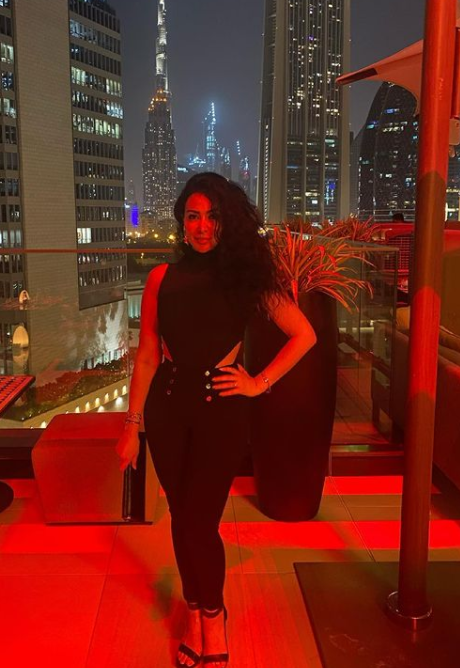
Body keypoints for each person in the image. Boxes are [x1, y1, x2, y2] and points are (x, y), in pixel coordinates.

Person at [116, 173, 316, 667]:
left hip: (221, 411)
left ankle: (213, 616)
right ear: (182, 222)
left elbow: (304, 335)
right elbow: (147, 355)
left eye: (212, 217)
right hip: (168, 409)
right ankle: (194, 611)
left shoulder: (244, 277)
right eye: (193, 216)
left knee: (200, 523)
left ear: (226, 222)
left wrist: (258, 382)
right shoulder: (160, 279)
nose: (202, 226)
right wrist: (132, 424)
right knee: (183, 518)